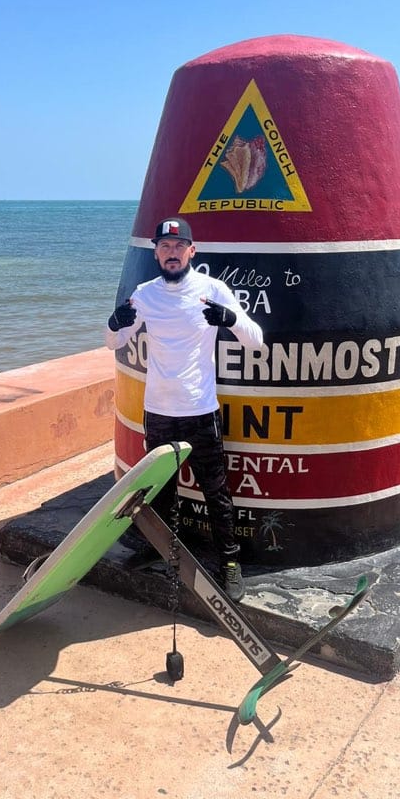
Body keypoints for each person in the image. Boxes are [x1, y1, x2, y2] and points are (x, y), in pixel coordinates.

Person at [105, 216, 264, 602]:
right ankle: (159, 549)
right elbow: (113, 341)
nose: (171, 253)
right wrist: (114, 322)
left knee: (216, 492)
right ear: (156, 253)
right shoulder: (144, 294)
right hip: (158, 412)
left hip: (200, 410)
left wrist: (230, 320)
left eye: (178, 247)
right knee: (160, 490)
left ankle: (229, 563)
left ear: (192, 251)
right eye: (164, 247)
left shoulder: (212, 290)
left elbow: (256, 341)